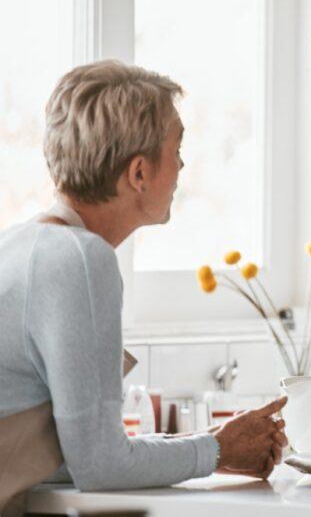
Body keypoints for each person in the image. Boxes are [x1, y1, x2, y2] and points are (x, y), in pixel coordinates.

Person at [0, 61, 287, 514]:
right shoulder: (79, 259)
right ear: (138, 173)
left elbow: (71, 458)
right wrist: (218, 450)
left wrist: (205, 446)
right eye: (177, 151)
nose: (182, 166)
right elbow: (100, 466)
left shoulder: (21, 245)